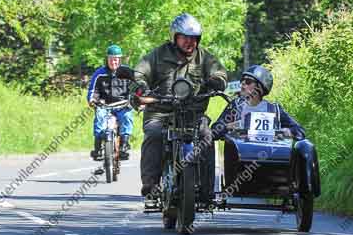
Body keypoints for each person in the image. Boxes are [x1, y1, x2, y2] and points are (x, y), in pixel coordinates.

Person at [132, 14, 227, 202]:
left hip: (193, 113)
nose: (189, 42)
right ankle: (151, 184)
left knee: (207, 137)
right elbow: (139, 72)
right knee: (154, 134)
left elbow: (220, 72)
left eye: (193, 38)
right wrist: (140, 86)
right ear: (175, 37)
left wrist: (216, 80)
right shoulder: (158, 55)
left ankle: (207, 191)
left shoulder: (204, 57)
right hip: (160, 111)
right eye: (185, 37)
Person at [211, 64, 305, 141]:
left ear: (260, 86)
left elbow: (300, 131)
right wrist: (230, 126)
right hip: (239, 158)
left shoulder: (275, 109)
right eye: (242, 81)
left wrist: (285, 132)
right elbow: (214, 132)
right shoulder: (236, 106)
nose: (243, 83)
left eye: (248, 81)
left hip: (269, 159)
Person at [87, 44, 134, 164]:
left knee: (127, 117)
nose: (114, 61)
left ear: (120, 59)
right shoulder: (99, 73)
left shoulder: (127, 72)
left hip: (123, 105)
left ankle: (124, 146)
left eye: (117, 58)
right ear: (107, 59)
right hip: (105, 105)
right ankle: (97, 148)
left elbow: (136, 89)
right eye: (111, 58)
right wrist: (92, 100)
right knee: (99, 118)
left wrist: (135, 100)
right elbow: (93, 90)